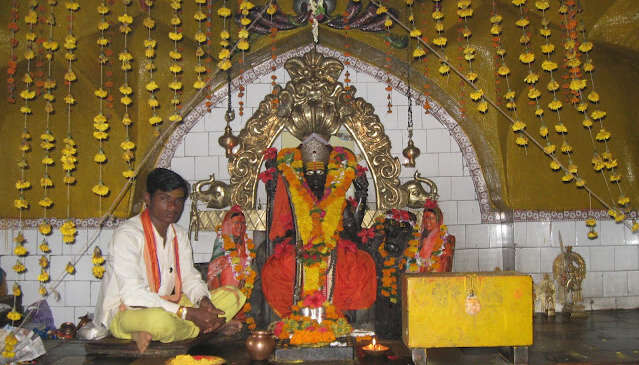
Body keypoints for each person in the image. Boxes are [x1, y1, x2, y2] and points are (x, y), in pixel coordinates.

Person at [94, 168, 245, 353]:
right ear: (148, 199)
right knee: (159, 322)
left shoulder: (178, 234)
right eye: (164, 199)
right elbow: (132, 295)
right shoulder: (128, 235)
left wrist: (204, 302)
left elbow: (190, 278)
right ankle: (210, 328)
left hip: (173, 305)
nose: (173, 207)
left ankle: (202, 325)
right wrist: (187, 313)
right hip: (128, 310)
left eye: (178, 200)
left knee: (234, 295)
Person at [261, 134, 376, 317]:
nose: (315, 178)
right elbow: (283, 228)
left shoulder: (336, 198)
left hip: (333, 247)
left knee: (358, 266)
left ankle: (333, 312)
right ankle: (298, 313)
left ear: (327, 175)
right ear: (304, 175)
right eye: (311, 173)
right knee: (277, 268)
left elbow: (352, 228)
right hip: (299, 247)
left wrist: (362, 194)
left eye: (320, 173)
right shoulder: (294, 197)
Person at [206, 205, 256, 330]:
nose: (240, 226)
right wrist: (228, 264)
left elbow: (249, 262)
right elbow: (214, 266)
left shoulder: (246, 243)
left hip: (243, 280)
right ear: (228, 224)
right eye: (236, 223)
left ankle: (240, 314)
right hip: (224, 279)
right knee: (229, 270)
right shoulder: (222, 240)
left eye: (243, 223)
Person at [410, 199, 455, 273]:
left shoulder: (446, 240)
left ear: (438, 220)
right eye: (425, 218)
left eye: (431, 218)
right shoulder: (417, 238)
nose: (427, 221)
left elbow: (444, 266)